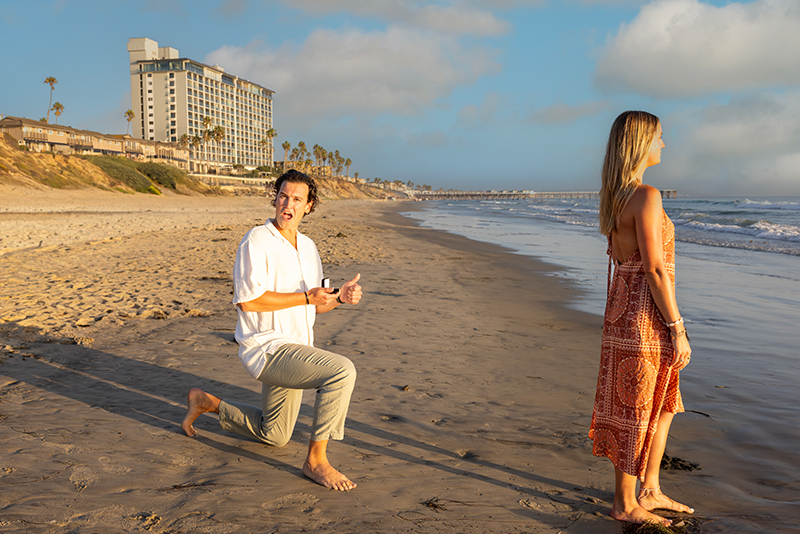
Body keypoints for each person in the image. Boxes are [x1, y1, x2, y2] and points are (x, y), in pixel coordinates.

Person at [181, 170, 361, 491]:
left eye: (296, 199)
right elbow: (248, 302)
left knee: (275, 434)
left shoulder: (308, 247)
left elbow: (315, 304)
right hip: (266, 348)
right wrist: (307, 296)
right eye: (283, 196)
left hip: (297, 349)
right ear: (274, 198)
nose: (287, 204)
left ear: (309, 206)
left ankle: (208, 403)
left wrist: (340, 299)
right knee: (341, 372)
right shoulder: (257, 240)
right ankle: (316, 460)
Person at [589, 111, 694, 526]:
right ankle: (624, 503)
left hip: (623, 312)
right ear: (641, 143)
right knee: (636, 406)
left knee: (663, 401)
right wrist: (677, 326)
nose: (664, 144)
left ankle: (648, 489)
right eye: (660, 138)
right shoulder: (647, 196)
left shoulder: (617, 196)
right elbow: (653, 269)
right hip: (644, 317)